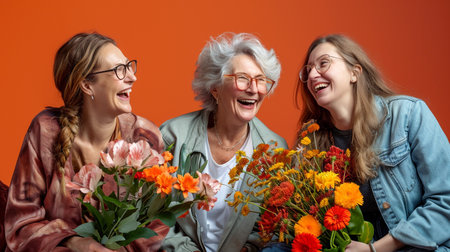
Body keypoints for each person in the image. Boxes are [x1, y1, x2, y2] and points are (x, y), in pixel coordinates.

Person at [4, 32, 169, 252]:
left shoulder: (144, 137)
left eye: (129, 66)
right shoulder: (45, 131)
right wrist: (75, 242)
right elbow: (21, 222)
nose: (132, 77)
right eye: (118, 70)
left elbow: (158, 227)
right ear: (87, 85)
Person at [294, 34, 449, 251]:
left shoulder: (408, 114)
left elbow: (446, 201)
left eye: (323, 63)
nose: (312, 74)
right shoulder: (311, 142)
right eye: (308, 69)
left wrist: (375, 249)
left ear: (354, 73)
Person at [160, 33, 287, 252]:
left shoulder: (275, 149)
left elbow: (271, 226)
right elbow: (155, 214)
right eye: (243, 78)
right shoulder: (173, 135)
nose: (254, 89)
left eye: (261, 80)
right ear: (215, 88)